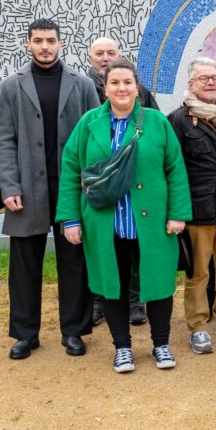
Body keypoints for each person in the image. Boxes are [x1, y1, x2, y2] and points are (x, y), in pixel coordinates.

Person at [57, 58, 192, 373]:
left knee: (158, 282)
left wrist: (177, 213)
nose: (121, 88)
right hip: (106, 224)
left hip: (153, 223)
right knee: (111, 284)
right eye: (114, 83)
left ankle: (161, 344)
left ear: (137, 87)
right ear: (105, 89)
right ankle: (122, 347)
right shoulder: (89, 123)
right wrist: (71, 219)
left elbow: (175, 169)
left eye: (127, 82)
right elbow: (71, 170)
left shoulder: (156, 122)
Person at [0, 19, 99, 360]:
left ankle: (74, 330)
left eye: (50, 40)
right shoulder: (12, 85)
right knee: (24, 265)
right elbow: (4, 139)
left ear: (60, 44)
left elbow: (95, 138)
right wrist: (9, 184)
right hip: (27, 188)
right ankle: (25, 334)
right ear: (28, 43)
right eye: (38, 40)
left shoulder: (82, 85)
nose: (44, 46)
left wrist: (90, 183)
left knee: (74, 261)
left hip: (71, 187)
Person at [169, 58, 216, 354]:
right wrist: (176, 210)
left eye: (214, 77)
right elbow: (172, 169)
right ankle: (198, 326)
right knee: (198, 273)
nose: (211, 82)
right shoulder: (179, 119)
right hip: (198, 210)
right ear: (191, 84)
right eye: (204, 78)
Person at [86, 36, 157, 327]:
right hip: (99, 182)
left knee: (134, 244)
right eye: (99, 53)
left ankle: (135, 301)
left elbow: (154, 129)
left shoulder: (141, 92)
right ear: (90, 58)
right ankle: (99, 301)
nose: (105, 57)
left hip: (134, 181)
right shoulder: (83, 87)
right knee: (103, 246)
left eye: (110, 52)